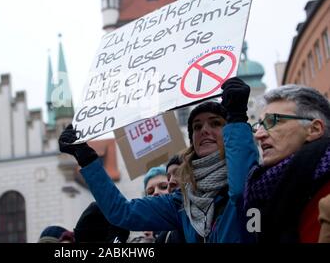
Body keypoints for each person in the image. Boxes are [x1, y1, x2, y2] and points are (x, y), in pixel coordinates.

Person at [59, 77, 259, 243]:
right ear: (192, 141)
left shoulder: (256, 175)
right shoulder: (181, 202)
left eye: (215, 123)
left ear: (230, 130)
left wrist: (238, 119)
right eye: (197, 127)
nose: (204, 130)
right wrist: (87, 158)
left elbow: (241, 192)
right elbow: (122, 213)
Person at [245, 84, 330, 243]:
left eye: (272, 121)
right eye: (260, 125)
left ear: (314, 129)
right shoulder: (258, 190)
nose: (259, 135)